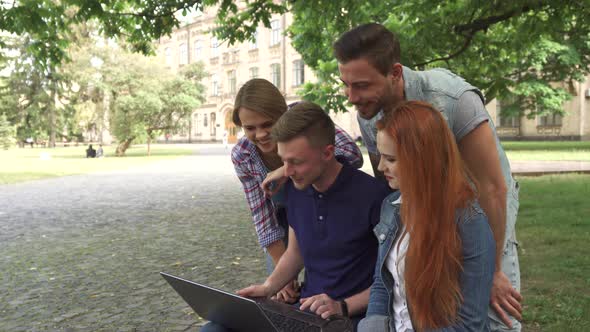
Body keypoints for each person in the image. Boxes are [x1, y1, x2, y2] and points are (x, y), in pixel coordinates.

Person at [334, 23, 522, 331]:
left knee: (493, 317)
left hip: (479, 217)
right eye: (346, 84)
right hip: (424, 222)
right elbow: (391, 187)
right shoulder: (370, 116)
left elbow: (492, 188)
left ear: (395, 73)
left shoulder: (453, 98)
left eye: (362, 86)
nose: (351, 97)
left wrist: (493, 269)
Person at [201, 102, 389, 332]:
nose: (286, 172)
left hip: (348, 318)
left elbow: (394, 283)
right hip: (305, 314)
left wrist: (343, 306)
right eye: (283, 161)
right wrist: (268, 287)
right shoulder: (296, 189)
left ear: (328, 153)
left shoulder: (376, 198)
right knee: (214, 328)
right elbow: (295, 252)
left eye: (296, 162)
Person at [358, 101, 495, 331]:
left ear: (421, 159)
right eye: (381, 156)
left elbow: (470, 324)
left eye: (391, 159)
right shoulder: (391, 207)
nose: (381, 167)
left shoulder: (469, 222)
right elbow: (382, 285)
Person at [230, 79, 363, 297]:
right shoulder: (242, 155)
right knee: (282, 290)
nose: (260, 134)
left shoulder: (304, 119)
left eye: (267, 124)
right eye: (250, 128)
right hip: (284, 216)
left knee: (327, 281)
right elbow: (263, 217)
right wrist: (284, 276)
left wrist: (286, 169)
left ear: (282, 115)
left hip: (326, 205)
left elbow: (352, 154)